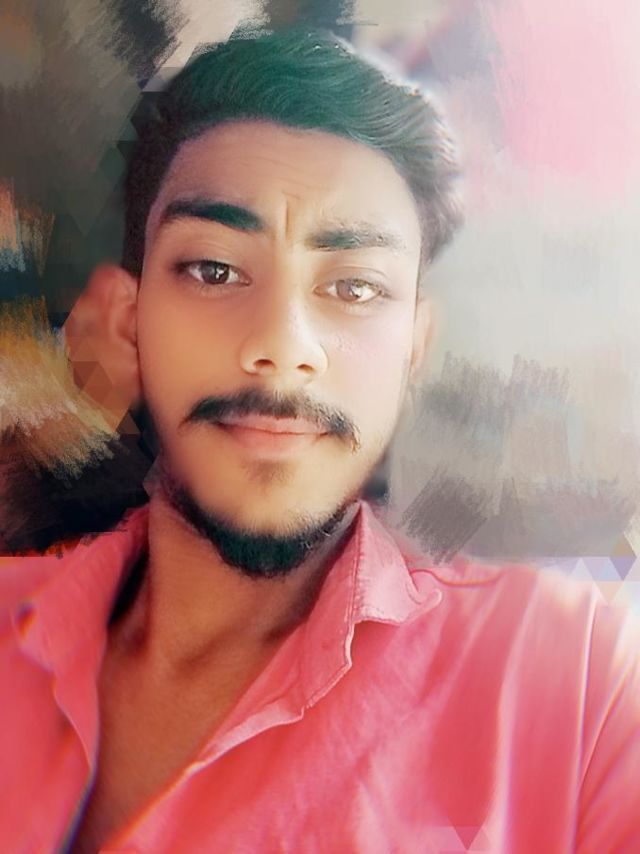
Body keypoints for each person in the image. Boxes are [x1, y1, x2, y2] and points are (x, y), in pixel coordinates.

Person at [1, 27, 638, 854]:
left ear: (413, 348)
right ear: (129, 324)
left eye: (355, 287)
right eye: (215, 270)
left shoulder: (579, 686)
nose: (282, 344)